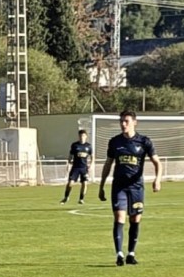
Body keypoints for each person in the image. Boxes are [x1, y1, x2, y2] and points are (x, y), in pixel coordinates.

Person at [98, 110, 161, 266]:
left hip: (137, 187)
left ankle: (131, 254)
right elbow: (108, 164)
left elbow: (157, 162)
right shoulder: (115, 142)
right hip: (119, 186)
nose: (123, 124)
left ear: (134, 122)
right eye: (121, 121)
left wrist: (157, 180)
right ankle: (119, 254)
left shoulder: (144, 142)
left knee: (135, 219)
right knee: (119, 218)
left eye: (126, 121)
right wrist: (101, 185)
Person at [61, 129, 92, 204]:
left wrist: (91, 164)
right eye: (80, 136)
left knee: (85, 183)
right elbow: (70, 156)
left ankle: (81, 199)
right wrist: (68, 164)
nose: (82, 137)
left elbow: (92, 156)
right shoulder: (75, 145)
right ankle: (66, 197)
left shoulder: (88, 146)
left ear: (86, 136)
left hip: (84, 168)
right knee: (70, 183)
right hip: (75, 167)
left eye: (83, 135)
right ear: (79, 136)